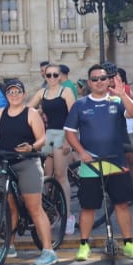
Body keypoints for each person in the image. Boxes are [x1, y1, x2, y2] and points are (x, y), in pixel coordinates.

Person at [64, 64, 133, 262]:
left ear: (108, 80)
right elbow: (70, 133)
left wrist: (123, 94)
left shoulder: (117, 101)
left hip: (116, 163)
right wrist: (81, 152)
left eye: (103, 78)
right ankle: (83, 245)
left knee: (122, 205)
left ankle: (128, 244)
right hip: (90, 165)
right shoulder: (80, 105)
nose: (99, 82)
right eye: (95, 79)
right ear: (89, 83)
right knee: (88, 207)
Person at [0, 78, 58, 265]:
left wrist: (30, 147)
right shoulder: (0, 113)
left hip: (27, 163)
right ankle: (9, 246)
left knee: (34, 209)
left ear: (23, 94)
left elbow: (42, 139)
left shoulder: (31, 113)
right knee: (10, 208)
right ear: (6, 95)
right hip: (6, 163)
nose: (14, 95)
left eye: (17, 91)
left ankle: (48, 250)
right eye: (10, 92)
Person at [31, 62, 77, 236]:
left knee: (60, 176)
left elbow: (73, 115)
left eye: (54, 75)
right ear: (44, 76)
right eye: (48, 75)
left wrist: (68, 140)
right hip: (48, 136)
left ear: (60, 76)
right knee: (46, 177)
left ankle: (68, 216)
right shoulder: (42, 93)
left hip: (62, 135)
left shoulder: (65, 92)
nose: (51, 78)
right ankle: (50, 213)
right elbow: (28, 109)